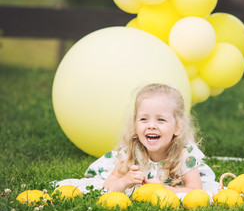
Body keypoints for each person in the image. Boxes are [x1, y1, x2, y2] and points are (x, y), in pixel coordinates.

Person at [54, 83, 218, 198]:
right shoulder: (132, 151)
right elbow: (108, 186)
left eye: (161, 120)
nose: (151, 126)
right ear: (134, 123)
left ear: (177, 127)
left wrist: (163, 188)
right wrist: (124, 181)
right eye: (144, 119)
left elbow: (196, 191)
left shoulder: (184, 154)